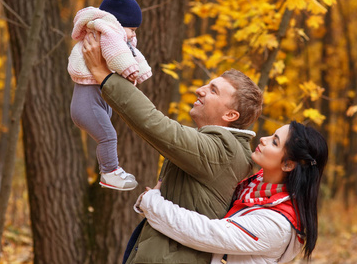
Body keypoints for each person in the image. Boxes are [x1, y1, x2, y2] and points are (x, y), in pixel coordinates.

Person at [83, 32, 263, 263]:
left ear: (230, 114)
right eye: (208, 84)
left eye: (213, 90)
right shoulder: (219, 146)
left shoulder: (225, 149)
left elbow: (156, 125)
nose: (201, 89)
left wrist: (104, 75)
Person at [135, 121, 328, 264]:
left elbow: (205, 233)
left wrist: (152, 202)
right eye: (271, 135)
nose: (263, 139)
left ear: (288, 164)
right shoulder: (253, 187)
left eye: (275, 142)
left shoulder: (276, 224)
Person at [68, 0, 152, 191]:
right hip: (86, 104)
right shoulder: (108, 33)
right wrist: (129, 69)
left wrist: (140, 71)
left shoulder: (113, 34)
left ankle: (112, 170)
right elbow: (117, 54)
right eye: (132, 28)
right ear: (119, 23)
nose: (133, 34)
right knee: (108, 136)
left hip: (95, 102)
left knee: (107, 134)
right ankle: (109, 172)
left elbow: (132, 53)